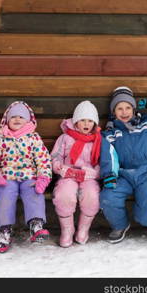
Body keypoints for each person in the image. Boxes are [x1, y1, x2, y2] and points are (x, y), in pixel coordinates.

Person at [99, 86, 147, 243]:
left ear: (133, 109)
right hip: (123, 175)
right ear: (114, 111)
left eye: (128, 107)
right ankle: (120, 225)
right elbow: (109, 156)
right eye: (119, 108)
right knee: (108, 196)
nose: (124, 112)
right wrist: (109, 175)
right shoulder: (110, 134)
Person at [0, 101, 52, 253]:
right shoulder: (1, 138)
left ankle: (36, 225)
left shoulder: (33, 138)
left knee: (34, 192)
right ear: (6, 120)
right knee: (4, 195)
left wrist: (43, 177)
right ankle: (5, 231)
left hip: (30, 176)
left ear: (28, 120)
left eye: (21, 117)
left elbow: (43, 159)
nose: (17, 119)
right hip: (7, 177)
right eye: (13, 116)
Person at [51, 100, 101, 247]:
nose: (86, 124)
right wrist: (59, 166)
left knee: (92, 196)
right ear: (75, 122)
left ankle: (83, 229)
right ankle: (67, 229)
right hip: (68, 174)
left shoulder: (97, 140)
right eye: (83, 120)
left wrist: (94, 173)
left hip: (88, 176)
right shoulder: (65, 138)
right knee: (63, 195)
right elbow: (56, 155)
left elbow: (102, 161)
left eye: (90, 121)